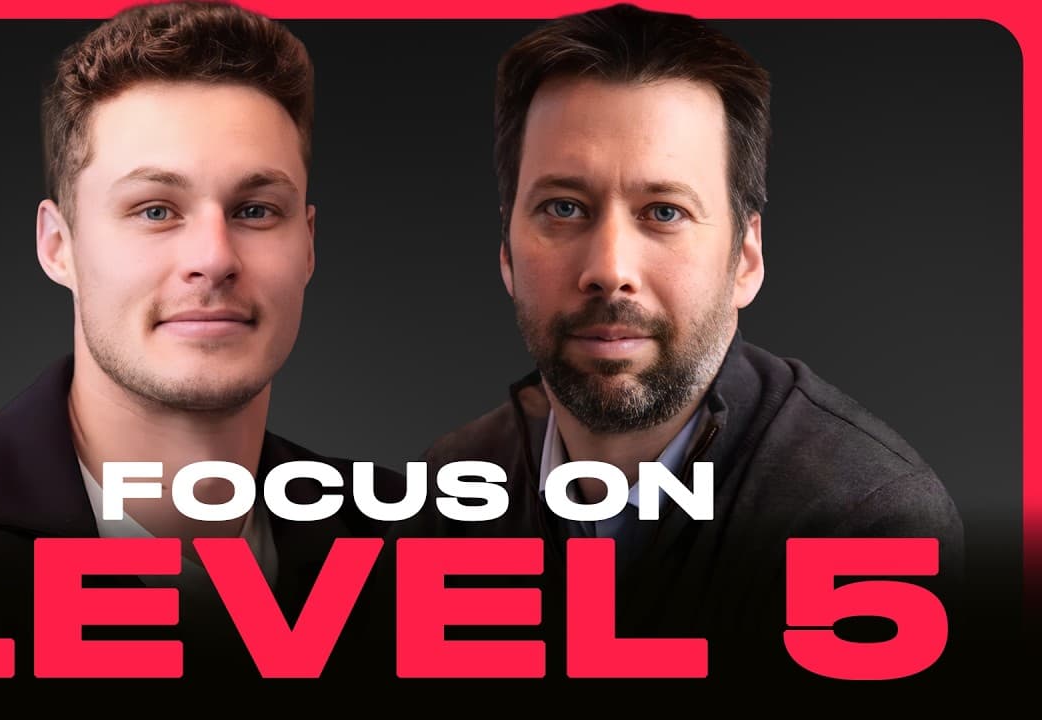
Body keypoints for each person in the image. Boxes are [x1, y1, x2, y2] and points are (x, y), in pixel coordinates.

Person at [0, 0, 401, 682]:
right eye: (155, 209)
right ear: (58, 246)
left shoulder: (403, 544)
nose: (214, 258)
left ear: (308, 245)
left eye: (256, 210)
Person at [405, 2, 965, 683]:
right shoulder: (453, 487)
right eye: (563, 208)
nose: (609, 268)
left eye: (664, 212)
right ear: (505, 251)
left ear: (745, 257)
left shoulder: (863, 525)